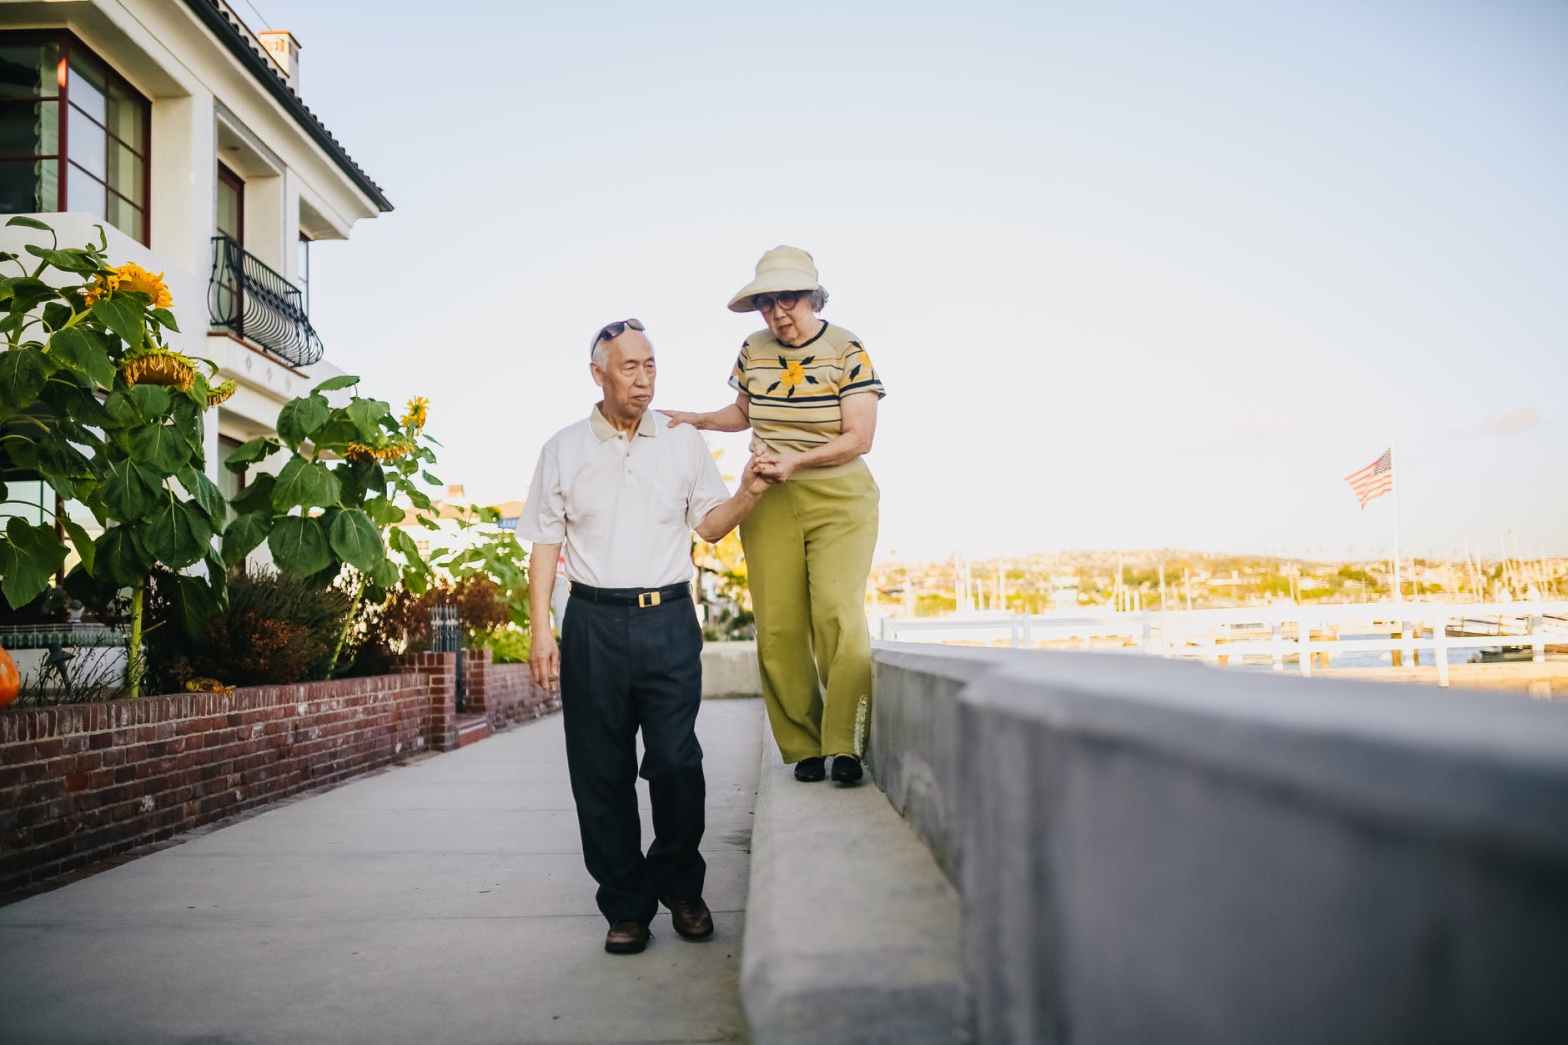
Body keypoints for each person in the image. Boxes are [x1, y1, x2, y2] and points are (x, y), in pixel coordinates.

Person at [521, 317, 775, 956]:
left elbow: (711, 527)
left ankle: (682, 888)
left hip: (667, 619)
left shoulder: (682, 443)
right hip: (591, 624)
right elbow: (545, 546)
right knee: (600, 772)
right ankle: (626, 906)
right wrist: (540, 633)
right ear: (598, 374)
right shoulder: (563, 448)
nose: (644, 377)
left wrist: (747, 493)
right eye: (630, 366)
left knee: (676, 761)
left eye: (651, 364)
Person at [662, 246, 885, 786]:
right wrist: (698, 420)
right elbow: (744, 412)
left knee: (837, 612)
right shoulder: (753, 350)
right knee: (780, 626)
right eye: (766, 303)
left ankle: (845, 746)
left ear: (812, 296)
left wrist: (798, 460)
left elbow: (860, 437)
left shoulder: (847, 347)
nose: (778, 312)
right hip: (768, 498)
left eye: (788, 298)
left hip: (839, 498)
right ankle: (802, 746)